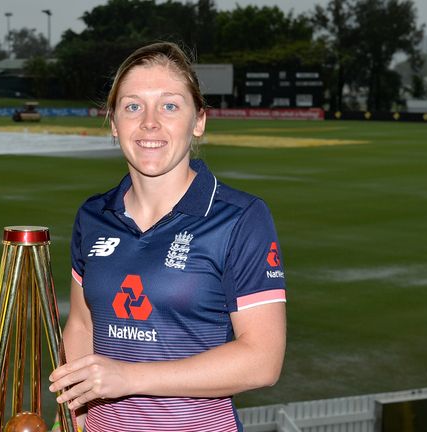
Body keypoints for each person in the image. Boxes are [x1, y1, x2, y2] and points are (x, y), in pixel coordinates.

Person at [48, 42, 287, 432]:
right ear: (113, 122)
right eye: (132, 106)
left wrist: (131, 377)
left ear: (199, 121)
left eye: (170, 105)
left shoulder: (240, 217)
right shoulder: (93, 215)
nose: (149, 123)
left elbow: (262, 360)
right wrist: (75, 416)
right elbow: (82, 326)